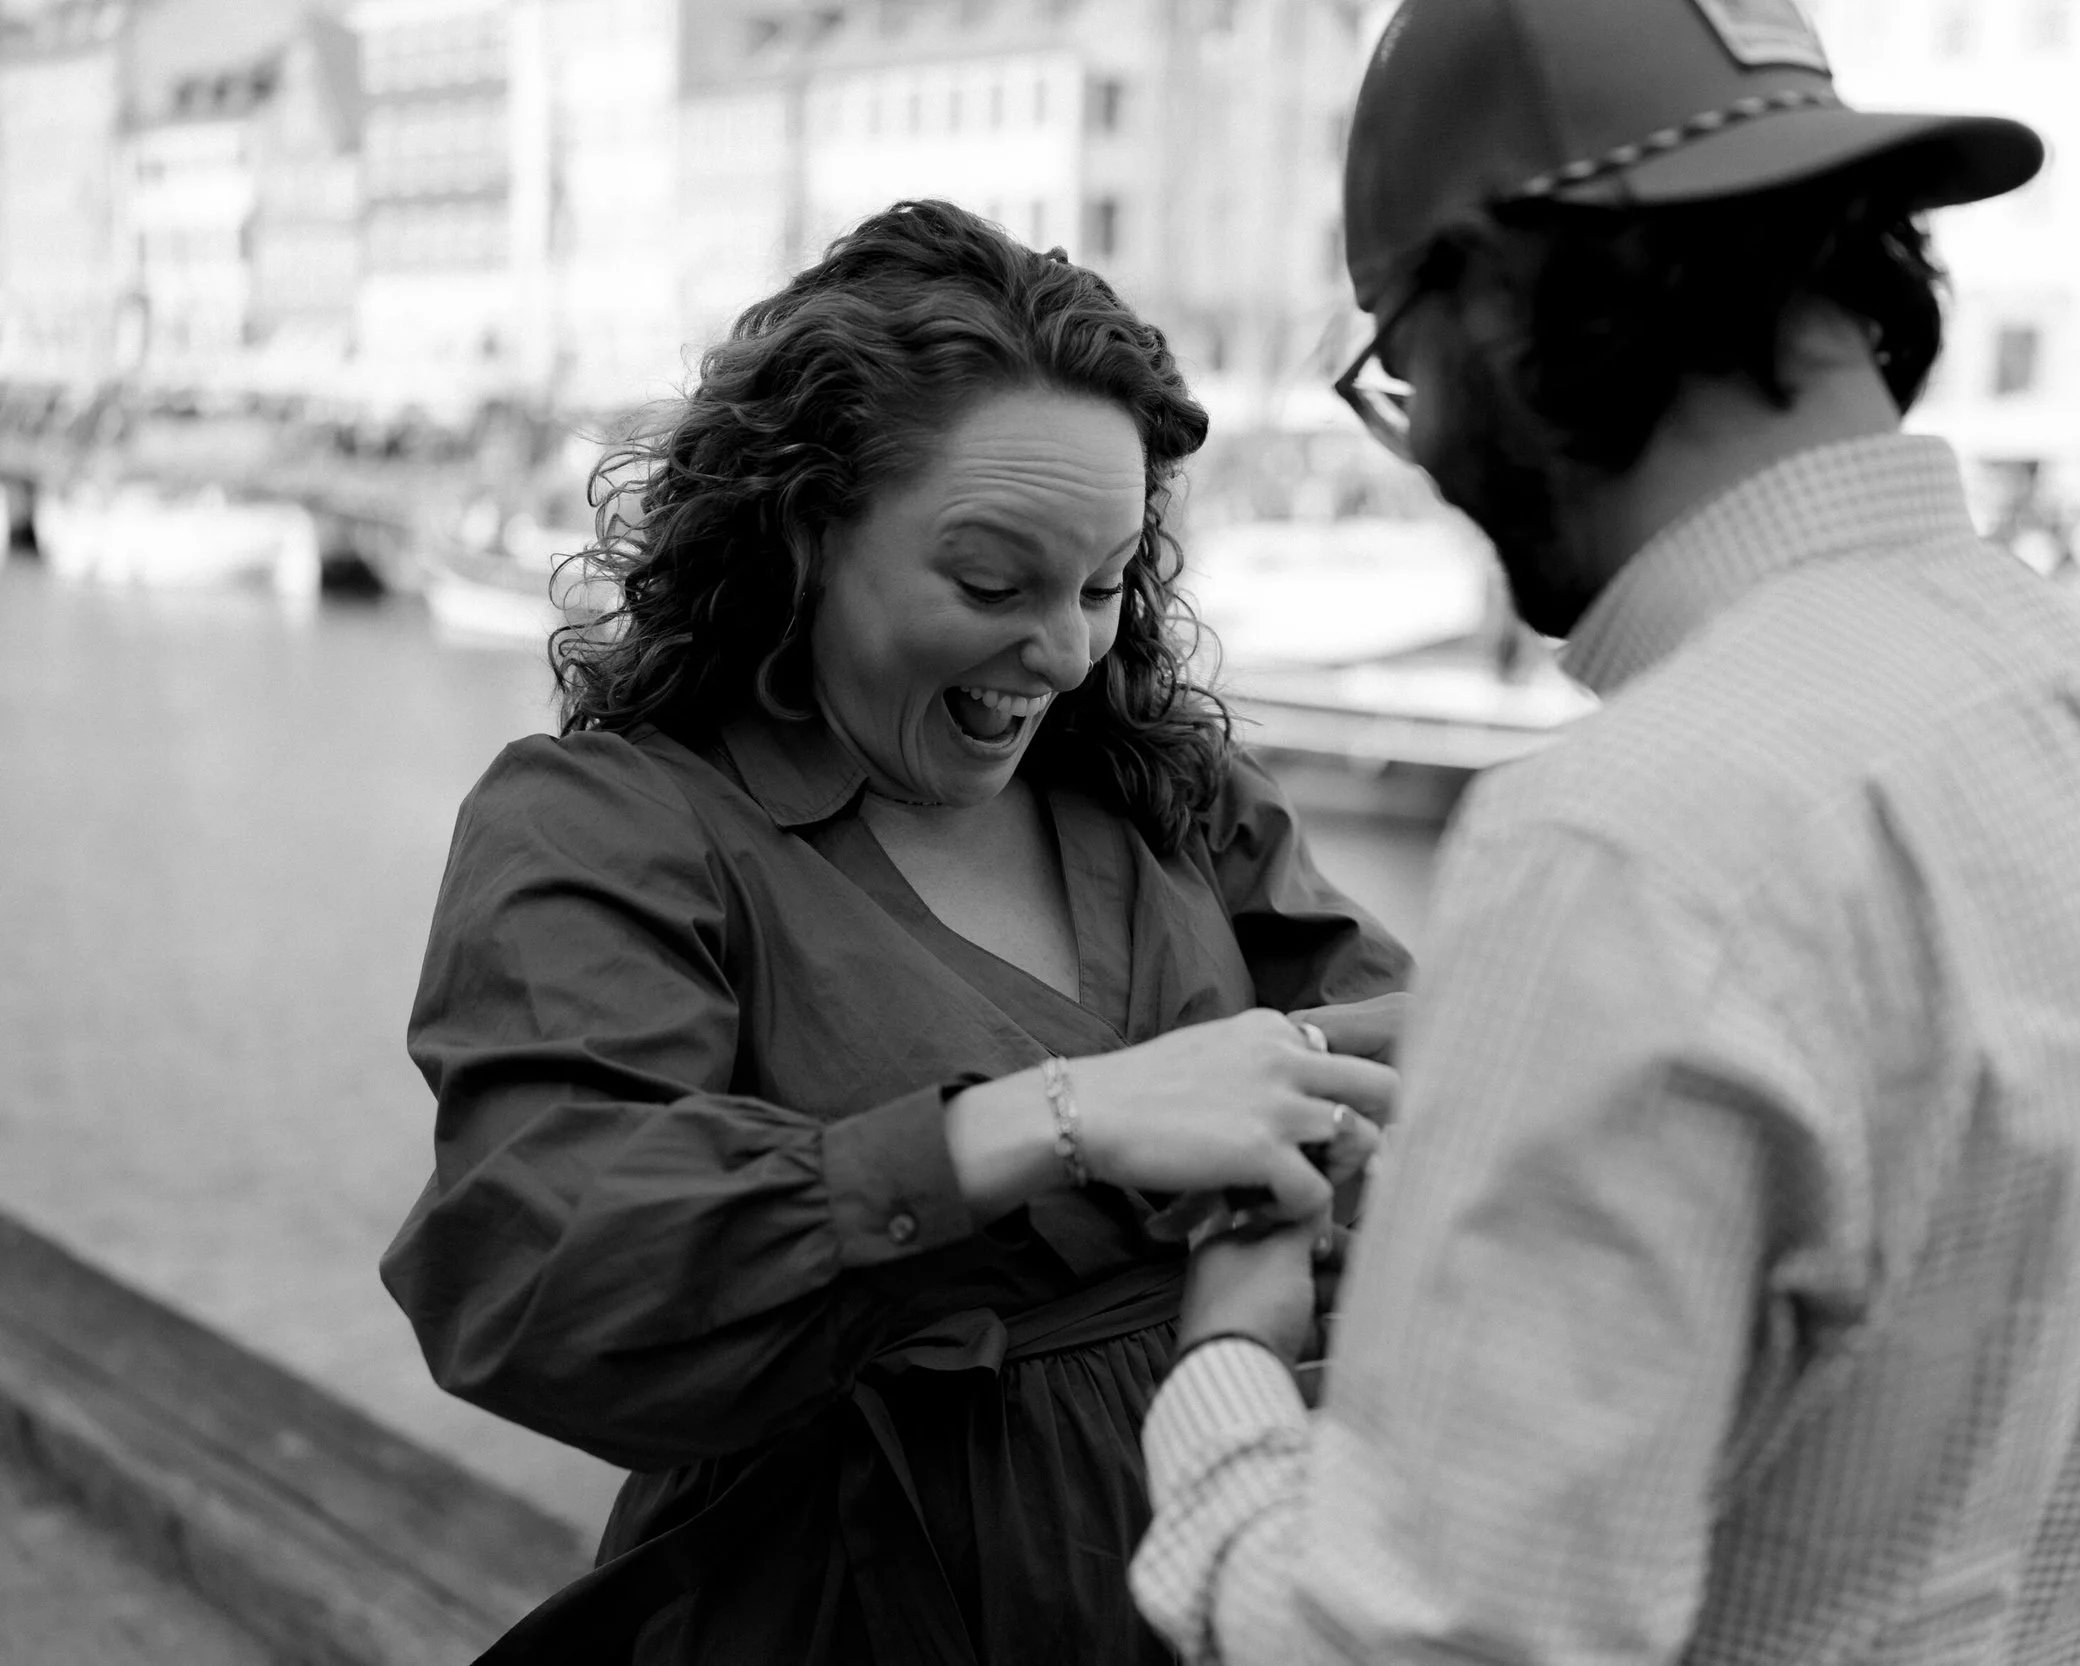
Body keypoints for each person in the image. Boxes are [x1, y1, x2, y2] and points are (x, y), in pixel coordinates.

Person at [1131, 3, 2080, 1662]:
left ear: (1504, 306)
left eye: (1406, 368)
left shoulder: (1628, 835)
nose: (1432, 454)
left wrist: (1224, 1384)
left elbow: (1412, 1648)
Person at [379, 200, 1408, 1664]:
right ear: (803, 531)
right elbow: (537, 1261)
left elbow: (1429, 1057)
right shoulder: (612, 824)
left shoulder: (1168, 789)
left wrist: (1287, 1116)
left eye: (1106, 584)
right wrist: (1062, 1118)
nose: (1061, 651)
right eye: (991, 584)